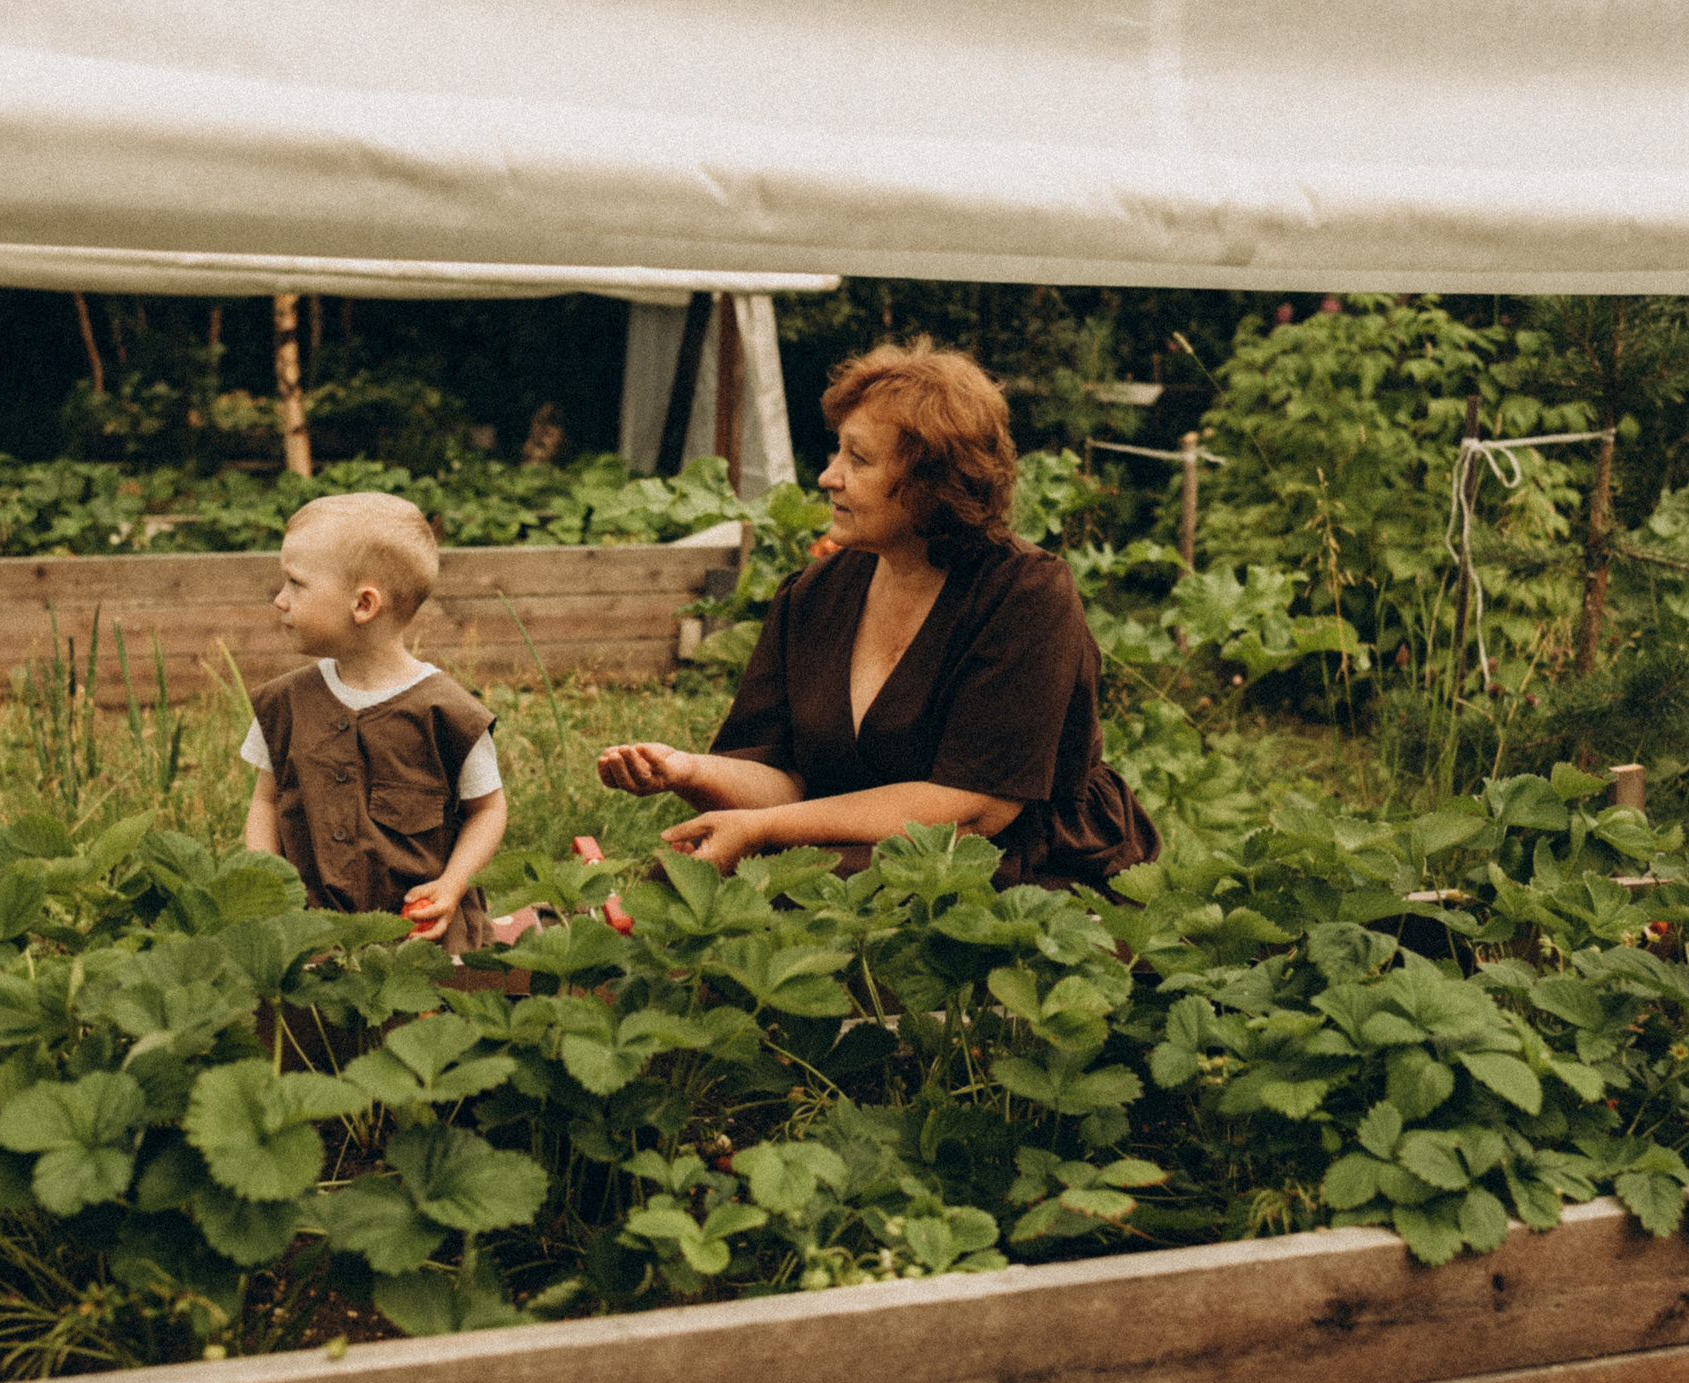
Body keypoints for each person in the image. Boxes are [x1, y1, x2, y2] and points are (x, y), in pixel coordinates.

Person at [597, 339, 1156, 889]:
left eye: (857, 459)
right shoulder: (813, 596)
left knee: (776, 888)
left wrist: (765, 831)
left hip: (1019, 860)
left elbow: (974, 809)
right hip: (873, 847)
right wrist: (688, 770)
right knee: (691, 883)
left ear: (933, 481)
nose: (828, 476)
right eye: (837, 451)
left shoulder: (1025, 595)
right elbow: (792, 784)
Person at [242, 493, 508, 950]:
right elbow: (266, 803)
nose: (280, 600)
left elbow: (487, 811)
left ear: (364, 605)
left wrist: (452, 885)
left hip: (421, 937)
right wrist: (266, 889)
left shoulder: (447, 715)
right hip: (311, 933)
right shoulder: (285, 704)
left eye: (296, 583)